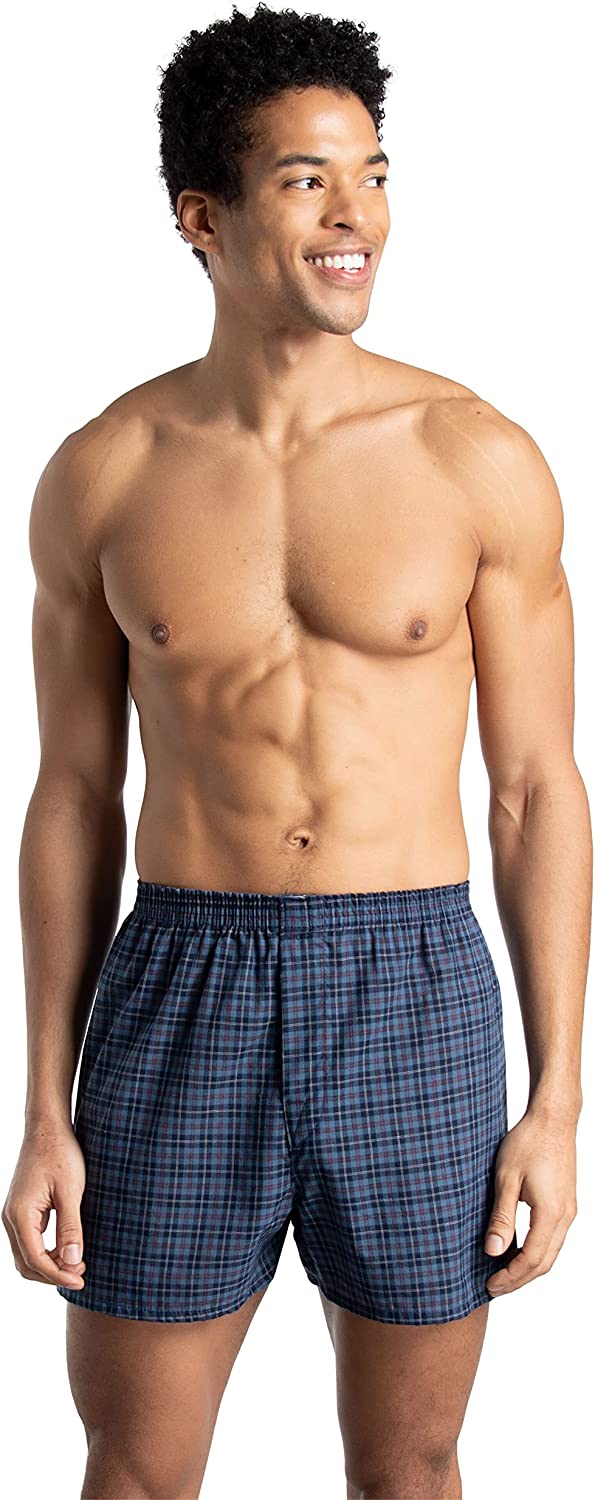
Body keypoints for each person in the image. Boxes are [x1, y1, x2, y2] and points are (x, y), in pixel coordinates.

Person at [2, 5, 591, 1497]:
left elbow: (535, 793)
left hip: (412, 984)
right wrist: (44, 1105)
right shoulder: (104, 474)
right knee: (136, 1470)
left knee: (412, 1466)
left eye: (375, 175)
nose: (357, 216)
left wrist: (557, 1100)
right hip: (179, 982)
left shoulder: (475, 456)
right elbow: (72, 795)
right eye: (306, 179)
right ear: (199, 216)